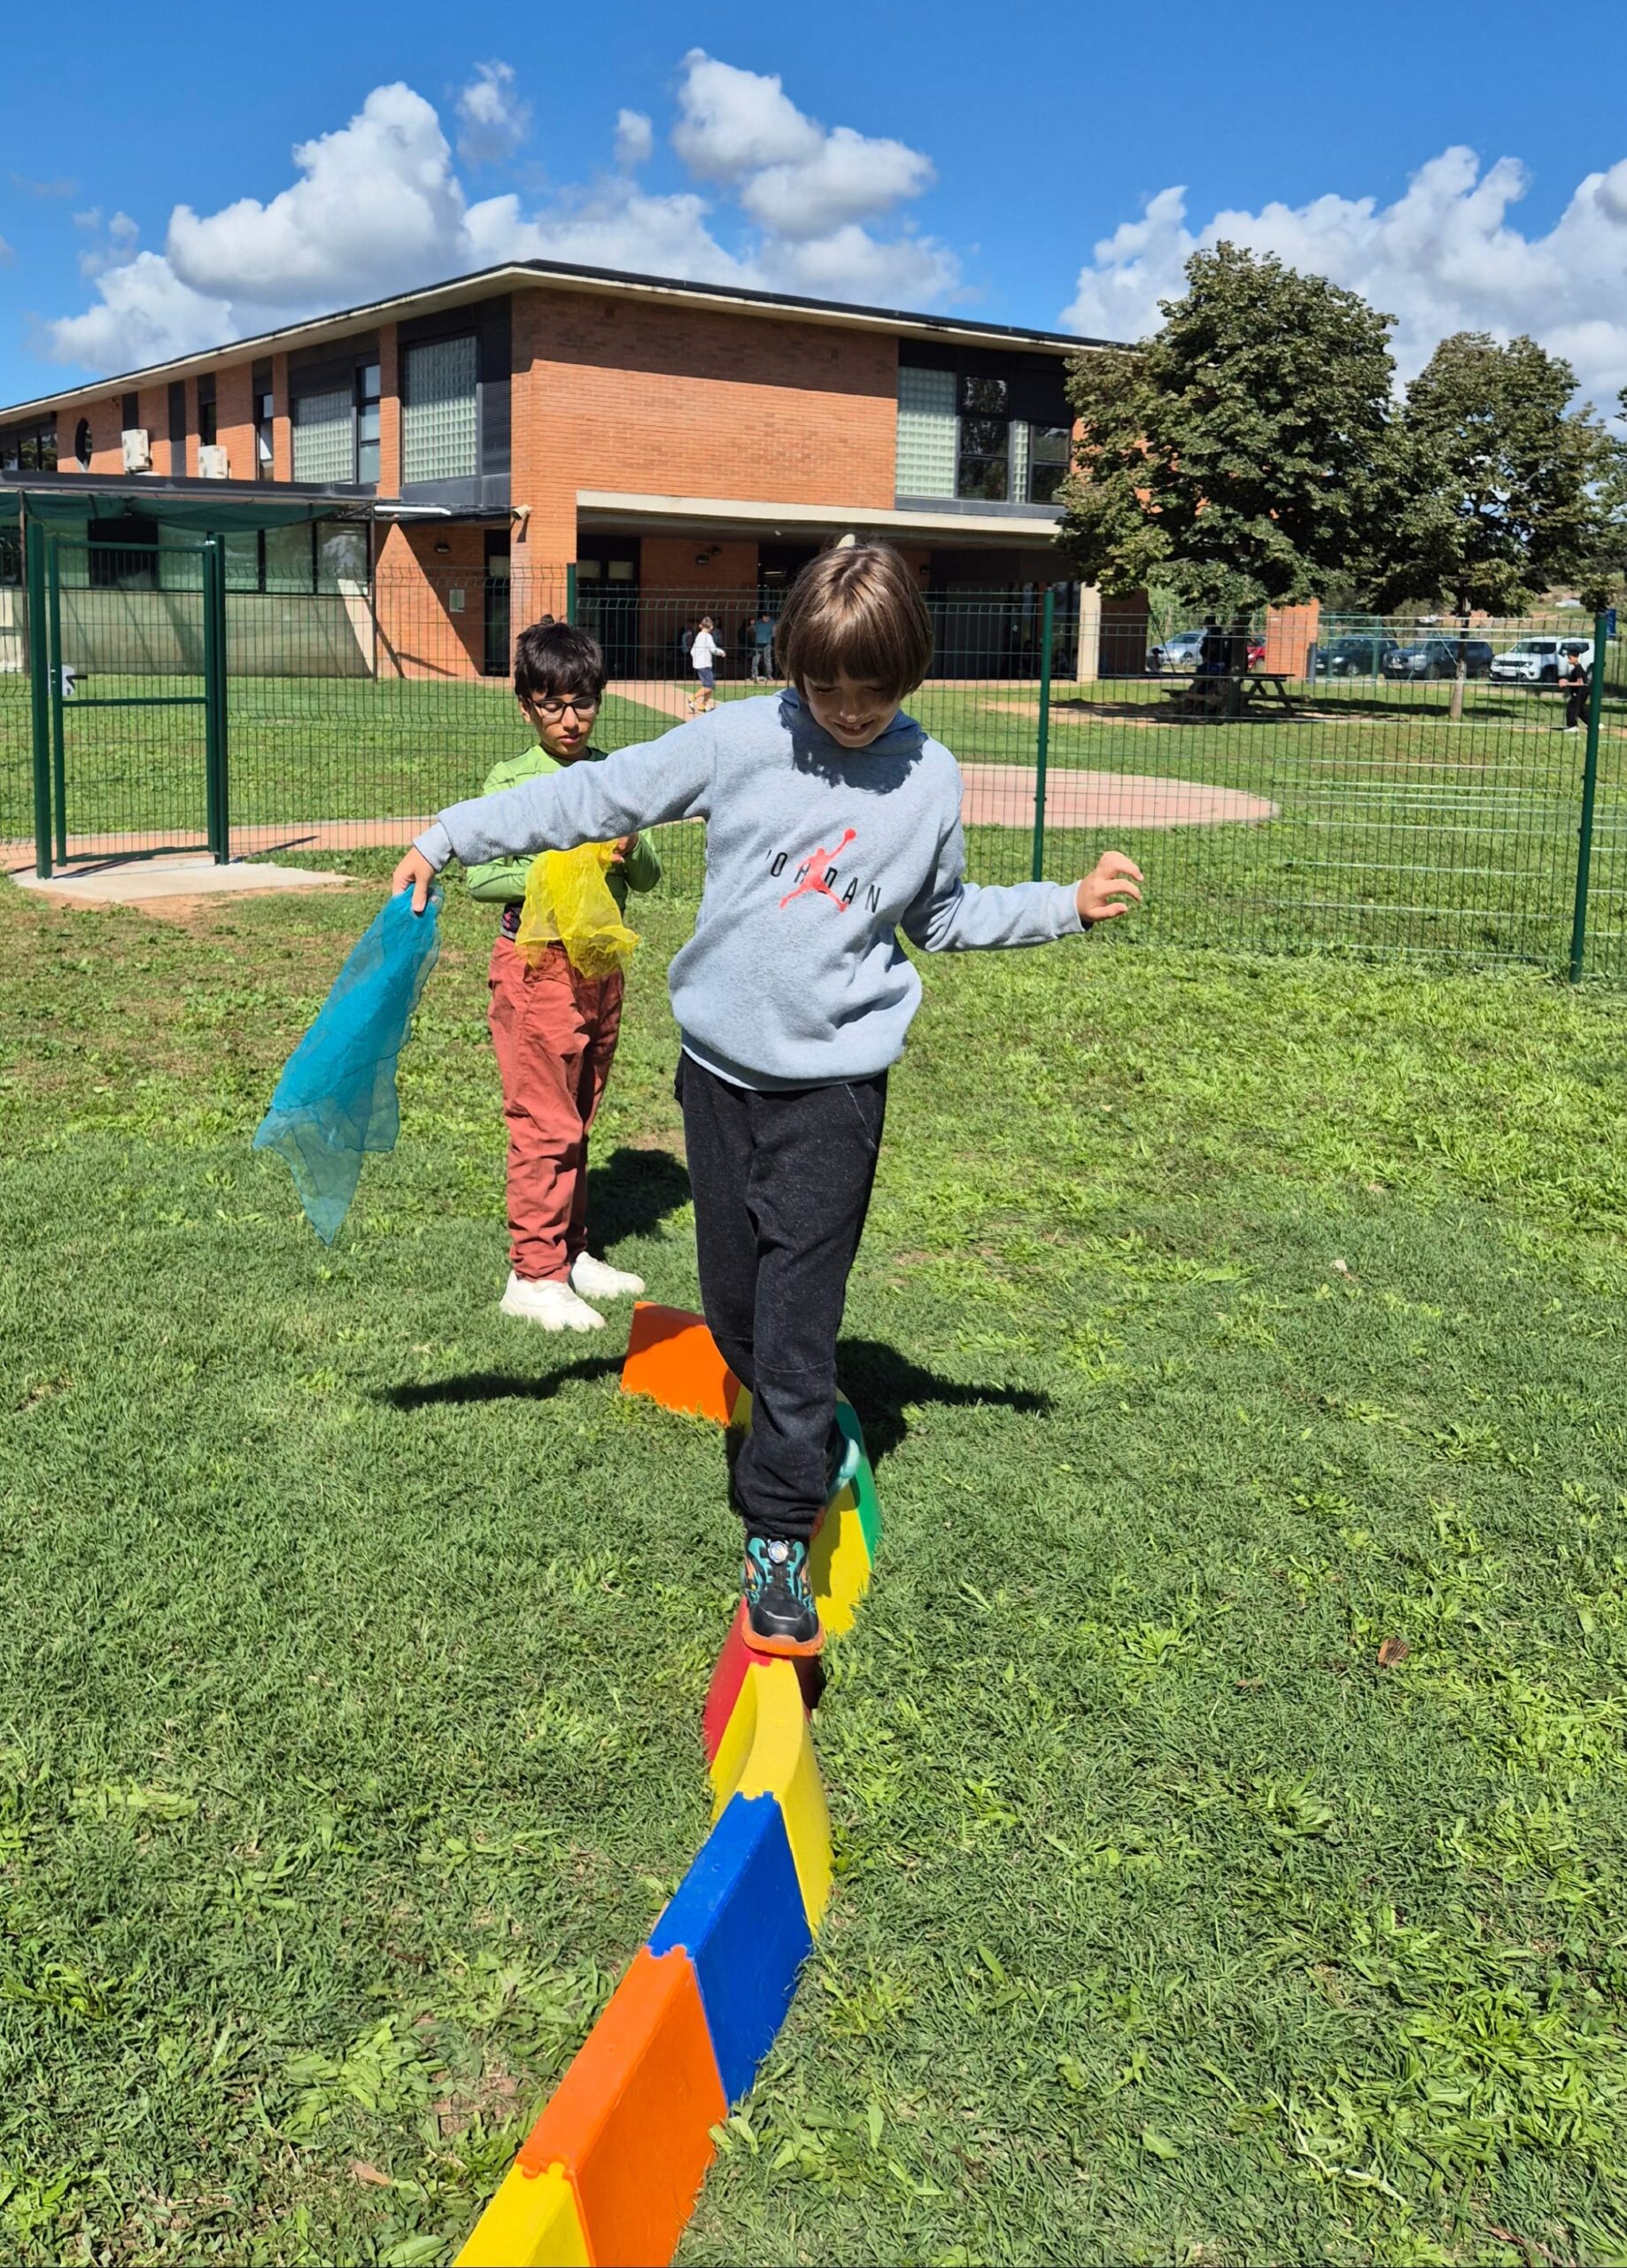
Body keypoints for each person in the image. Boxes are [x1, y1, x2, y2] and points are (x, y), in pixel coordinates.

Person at [392, 545, 1143, 1657]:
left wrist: (1062, 905)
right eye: (823, 685)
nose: (847, 710)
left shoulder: (928, 778)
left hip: (835, 1094)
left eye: (870, 689)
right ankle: (794, 1422)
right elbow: (597, 793)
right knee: (737, 1310)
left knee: (796, 1324)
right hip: (718, 1083)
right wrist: (448, 834)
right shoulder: (739, 740)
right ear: (791, 665)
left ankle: (777, 1534)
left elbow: (941, 918)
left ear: (910, 674)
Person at [466, 619, 662, 1333]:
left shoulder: (615, 774)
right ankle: (532, 1274)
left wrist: (631, 847)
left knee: (579, 1113)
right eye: (552, 705)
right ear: (525, 707)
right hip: (536, 966)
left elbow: (650, 875)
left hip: (599, 964)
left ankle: (570, 1254)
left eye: (583, 703)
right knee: (543, 1120)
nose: (570, 720)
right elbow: (481, 877)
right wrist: (562, 866)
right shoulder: (511, 781)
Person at [688, 616, 722, 713]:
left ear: (700, 626)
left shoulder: (698, 636)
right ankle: (692, 698)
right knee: (709, 686)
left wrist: (696, 659)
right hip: (705, 664)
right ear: (711, 627)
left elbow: (692, 650)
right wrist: (721, 652)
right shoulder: (708, 636)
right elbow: (713, 649)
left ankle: (703, 705)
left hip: (698, 663)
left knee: (709, 685)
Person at [1561, 646, 1591, 734]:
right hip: (1583, 692)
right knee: (1581, 709)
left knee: (1572, 708)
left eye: (1570, 658)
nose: (1568, 660)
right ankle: (1593, 724)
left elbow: (1580, 683)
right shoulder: (1576, 668)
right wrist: (1566, 680)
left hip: (1580, 692)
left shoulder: (1578, 669)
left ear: (1576, 657)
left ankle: (1572, 726)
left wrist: (1567, 684)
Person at [750, 610, 776, 683]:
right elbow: (755, 631)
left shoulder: (772, 622)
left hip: (767, 643)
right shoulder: (758, 622)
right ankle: (754, 675)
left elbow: (774, 632)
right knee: (756, 659)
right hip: (758, 643)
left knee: (767, 659)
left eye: (768, 617)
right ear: (762, 617)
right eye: (765, 617)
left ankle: (769, 675)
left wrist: (773, 633)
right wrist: (752, 625)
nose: (767, 619)